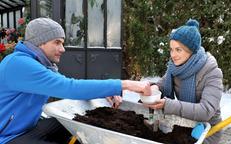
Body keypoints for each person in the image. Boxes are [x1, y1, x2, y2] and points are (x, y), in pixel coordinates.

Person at [0, 18, 151, 144]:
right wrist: (126, 84)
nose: (63, 49)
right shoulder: (19, 64)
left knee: (73, 124)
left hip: (26, 128)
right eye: (57, 42)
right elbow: (69, 88)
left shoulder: (39, 64)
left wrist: (105, 92)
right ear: (40, 42)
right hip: (8, 137)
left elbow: (67, 86)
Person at [145, 19, 223, 144]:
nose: (173, 55)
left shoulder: (212, 72)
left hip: (206, 131)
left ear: (191, 50)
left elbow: (206, 111)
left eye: (178, 50)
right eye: (171, 49)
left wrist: (168, 105)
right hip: (184, 124)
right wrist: (154, 89)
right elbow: (163, 84)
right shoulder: (175, 67)